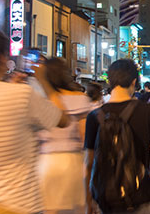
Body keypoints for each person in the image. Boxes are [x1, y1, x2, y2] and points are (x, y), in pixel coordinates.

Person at [0, 29, 69, 214]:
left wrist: (10, 87)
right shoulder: (22, 95)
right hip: (17, 202)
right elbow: (62, 120)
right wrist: (44, 81)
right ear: (1, 58)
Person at [84, 59, 150, 214]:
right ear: (134, 81)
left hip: (105, 194)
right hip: (138, 191)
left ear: (110, 81)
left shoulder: (94, 116)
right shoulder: (148, 111)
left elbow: (88, 163)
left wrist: (88, 200)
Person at [38, 58, 93, 213]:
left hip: (45, 164)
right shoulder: (80, 99)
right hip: (72, 163)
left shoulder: (40, 101)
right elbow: (85, 139)